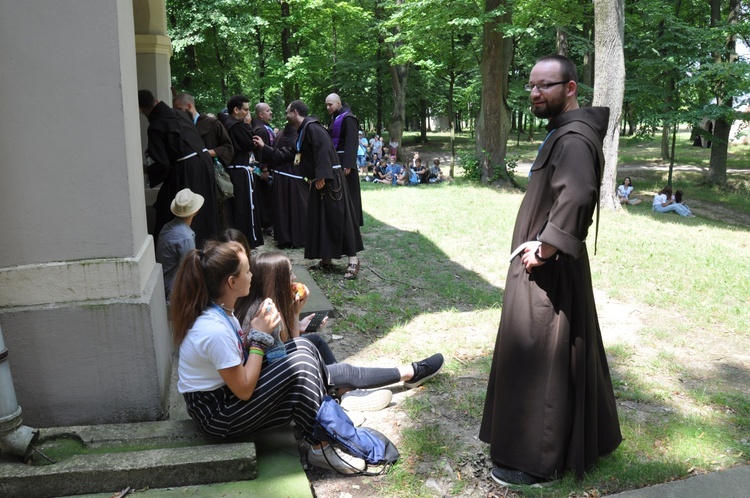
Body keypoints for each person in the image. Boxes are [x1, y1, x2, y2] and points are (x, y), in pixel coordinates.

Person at [479, 55, 622, 486]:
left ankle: (533, 462)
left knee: (541, 355)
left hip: (548, 273)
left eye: (546, 85)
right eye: (532, 86)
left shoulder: (574, 138)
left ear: (571, 88)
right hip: (549, 267)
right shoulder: (562, 133)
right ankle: (579, 442)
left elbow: (577, 196)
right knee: (558, 354)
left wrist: (545, 249)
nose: (536, 93)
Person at [171, 239, 367, 473]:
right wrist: (259, 336)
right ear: (233, 282)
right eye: (247, 270)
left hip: (228, 397)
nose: (252, 274)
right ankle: (322, 446)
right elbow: (243, 390)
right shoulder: (213, 330)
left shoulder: (223, 313)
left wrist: (276, 329)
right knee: (301, 364)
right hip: (218, 416)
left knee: (303, 348)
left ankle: (329, 433)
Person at [220, 244, 445, 411]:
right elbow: (290, 355)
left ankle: (346, 391)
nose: (295, 277)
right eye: (289, 273)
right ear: (275, 280)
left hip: (268, 371)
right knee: (341, 370)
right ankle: (410, 373)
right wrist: (295, 316)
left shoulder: (257, 304)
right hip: (271, 382)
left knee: (315, 341)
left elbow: (287, 348)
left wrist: (296, 316)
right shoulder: (264, 312)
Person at [253, 100, 364, 279]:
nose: (285, 116)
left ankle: (353, 260)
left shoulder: (313, 128)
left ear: (295, 112)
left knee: (339, 218)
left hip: (330, 180)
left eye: (287, 112)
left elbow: (325, 150)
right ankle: (326, 259)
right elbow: (290, 154)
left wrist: (322, 176)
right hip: (322, 179)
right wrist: (264, 148)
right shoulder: (304, 131)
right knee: (321, 219)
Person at [138, 89, 218, 247]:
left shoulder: (155, 125)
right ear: (156, 100)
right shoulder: (180, 113)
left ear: (141, 109)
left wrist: (147, 170)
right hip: (205, 163)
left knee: (176, 209)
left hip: (187, 170)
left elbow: (162, 164)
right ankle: (209, 248)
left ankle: (186, 250)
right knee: (205, 209)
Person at [172, 93, 234, 231]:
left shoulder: (212, 124)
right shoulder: (179, 126)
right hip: (190, 176)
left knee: (210, 213)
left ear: (189, 106)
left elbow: (228, 147)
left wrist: (206, 153)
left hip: (208, 176)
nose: (177, 113)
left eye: (178, 109)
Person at [217, 96, 264, 248]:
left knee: (235, 210)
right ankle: (245, 242)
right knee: (242, 209)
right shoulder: (235, 126)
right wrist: (248, 125)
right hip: (238, 173)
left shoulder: (224, 124)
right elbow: (250, 143)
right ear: (236, 110)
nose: (247, 113)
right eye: (245, 109)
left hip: (233, 172)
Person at [156, 188, 203, 301]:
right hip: (175, 293)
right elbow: (189, 272)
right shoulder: (186, 238)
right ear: (195, 211)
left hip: (164, 284)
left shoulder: (166, 227)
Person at [325, 93, 364, 227]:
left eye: (330, 104)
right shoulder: (335, 118)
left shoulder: (348, 118)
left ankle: (352, 222)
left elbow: (352, 142)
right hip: (336, 159)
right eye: (327, 105)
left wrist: (349, 164)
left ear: (338, 104)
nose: (328, 107)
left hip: (345, 161)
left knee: (349, 192)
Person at [271, 122, 308, 248]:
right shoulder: (299, 135)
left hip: (279, 176)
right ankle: (299, 239)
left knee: (282, 208)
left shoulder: (279, 135)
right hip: (294, 175)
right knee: (298, 208)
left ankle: (284, 239)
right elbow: (297, 155)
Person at [250, 103, 276, 237]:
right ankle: (267, 225)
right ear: (261, 114)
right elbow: (261, 151)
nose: (271, 112)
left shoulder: (265, 127)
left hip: (266, 168)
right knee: (265, 197)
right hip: (263, 170)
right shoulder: (260, 129)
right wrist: (265, 169)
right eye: (268, 110)